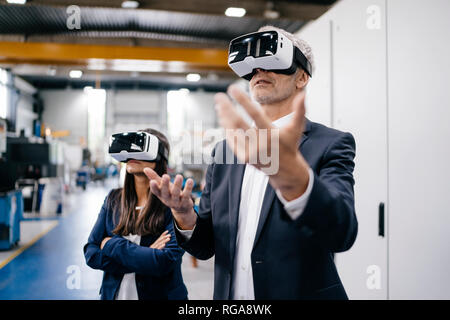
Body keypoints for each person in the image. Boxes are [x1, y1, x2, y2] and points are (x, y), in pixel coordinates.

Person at [144, 26, 357, 300]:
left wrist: (295, 180)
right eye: (253, 69)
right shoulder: (227, 150)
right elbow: (206, 245)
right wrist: (185, 216)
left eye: (271, 63)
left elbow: (341, 232)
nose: (259, 72)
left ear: (301, 77)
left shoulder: (331, 143)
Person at [83, 128, 188, 300]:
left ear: (159, 157)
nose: (132, 153)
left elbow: (164, 262)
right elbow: (91, 253)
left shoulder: (174, 204)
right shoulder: (113, 199)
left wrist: (111, 245)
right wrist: (146, 254)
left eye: (140, 147)